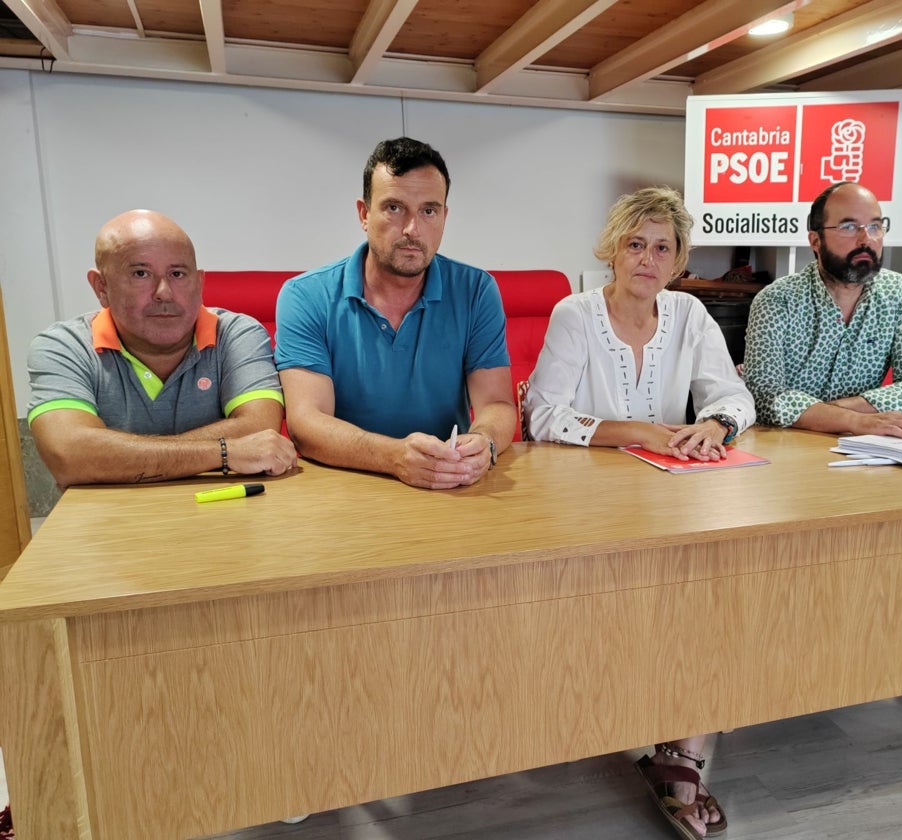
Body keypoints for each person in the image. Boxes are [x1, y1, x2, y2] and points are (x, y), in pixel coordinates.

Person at [526, 186, 751, 839]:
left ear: (678, 258)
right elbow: (542, 415)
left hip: (677, 496)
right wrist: (637, 432)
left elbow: (735, 396)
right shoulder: (575, 314)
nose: (647, 259)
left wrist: (712, 424)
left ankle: (682, 753)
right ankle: (633, 722)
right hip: (590, 503)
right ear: (613, 249)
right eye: (635, 244)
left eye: (662, 247)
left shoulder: (688, 313)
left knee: (716, 588)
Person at [274, 137, 515, 489]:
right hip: (342, 485)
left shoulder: (476, 290)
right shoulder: (305, 296)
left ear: (444, 216)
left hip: (447, 484)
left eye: (429, 211)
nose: (412, 230)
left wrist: (485, 442)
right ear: (363, 214)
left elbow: (496, 403)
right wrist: (393, 456)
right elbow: (307, 422)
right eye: (394, 208)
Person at [27, 209, 296, 486]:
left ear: (199, 282)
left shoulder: (237, 334)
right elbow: (70, 455)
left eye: (178, 273)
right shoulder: (63, 347)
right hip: (110, 517)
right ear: (101, 287)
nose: (164, 292)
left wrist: (115, 456)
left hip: (227, 509)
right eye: (140, 273)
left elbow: (260, 430)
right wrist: (224, 452)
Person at [742, 181, 902, 438]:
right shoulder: (777, 300)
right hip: (788, 443)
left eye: (875, 226)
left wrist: (839, 412)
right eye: (848, 227)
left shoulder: (898, 292)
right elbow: (766, 397)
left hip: (865, 447)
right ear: (815, 240)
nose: (866, 239)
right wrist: (857, 421)